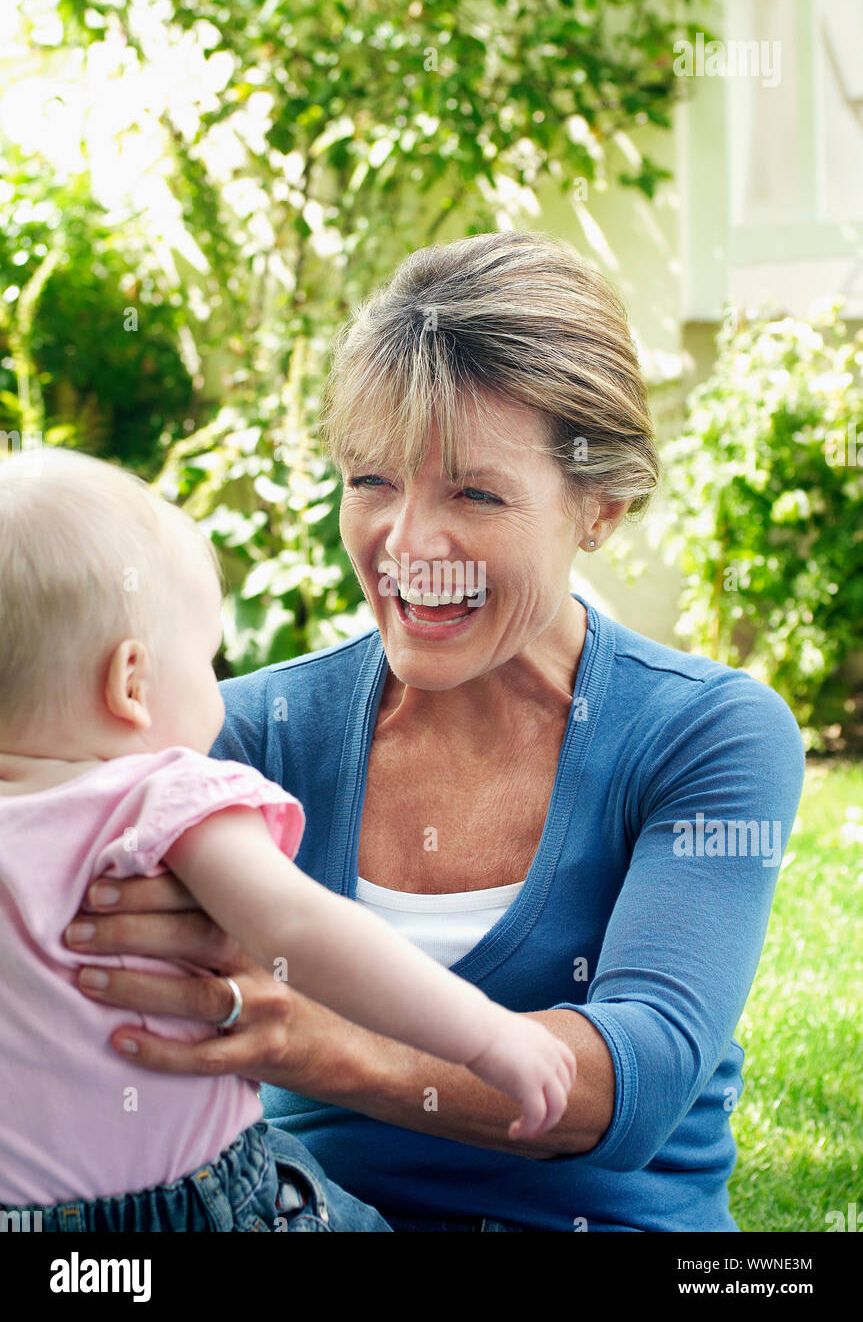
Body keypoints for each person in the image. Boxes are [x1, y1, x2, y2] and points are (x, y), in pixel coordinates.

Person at [63, 231, 805, 1232]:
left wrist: (284, 1029)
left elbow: (625, 1081)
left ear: (602, 506)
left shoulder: (706, 734)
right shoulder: (253, 732)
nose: (406, 544)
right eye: (370, 480)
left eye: (473, 491)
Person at [0, 446, 577, 1233]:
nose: (220, 689)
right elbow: (303, 932)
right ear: (131, 684)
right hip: (198, 1208)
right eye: (205, 662)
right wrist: (486, 1035)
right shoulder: (164, 798)